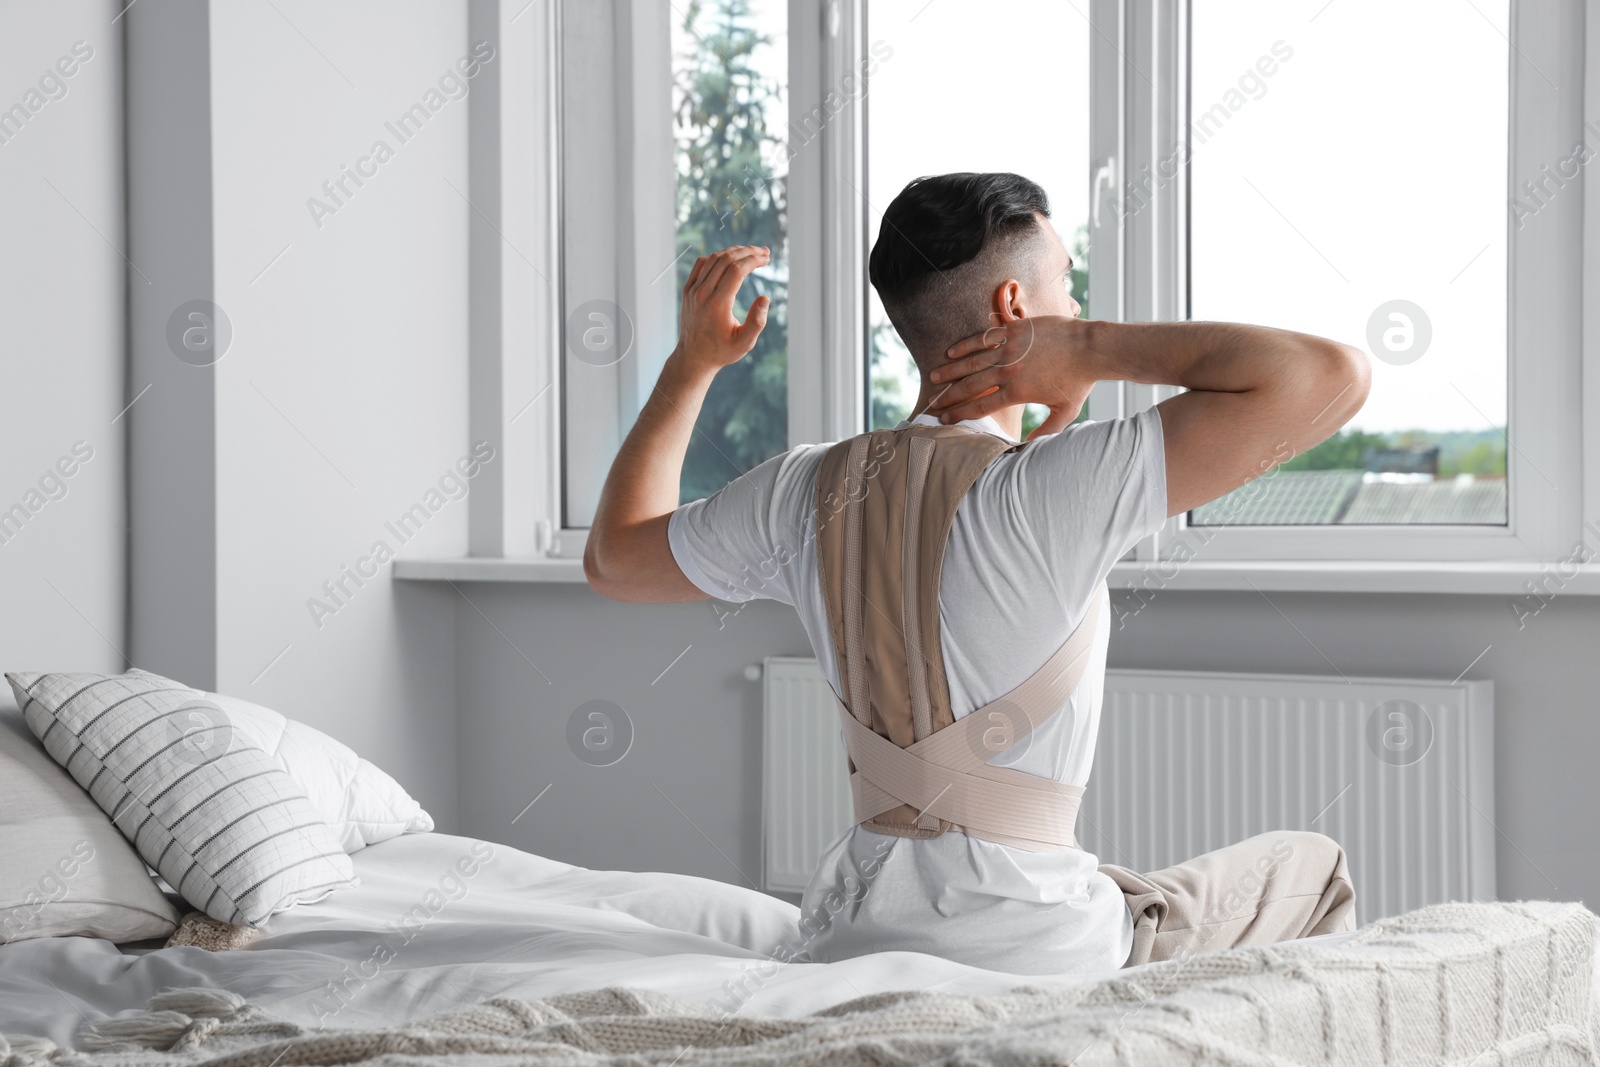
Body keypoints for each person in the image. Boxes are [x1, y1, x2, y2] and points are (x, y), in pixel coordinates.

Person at [584, 172, 1368, 975]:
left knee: (1128, 887)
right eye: (1067, 285)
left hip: (850, 935)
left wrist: (692, 364)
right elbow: (1333, 377)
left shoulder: (802, 489)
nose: (1077, 306)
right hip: (1041, 947)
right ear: (1015, 308)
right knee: (1312, 866)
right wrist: (1093, 349)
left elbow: (614, 558)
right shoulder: (1050, 489)